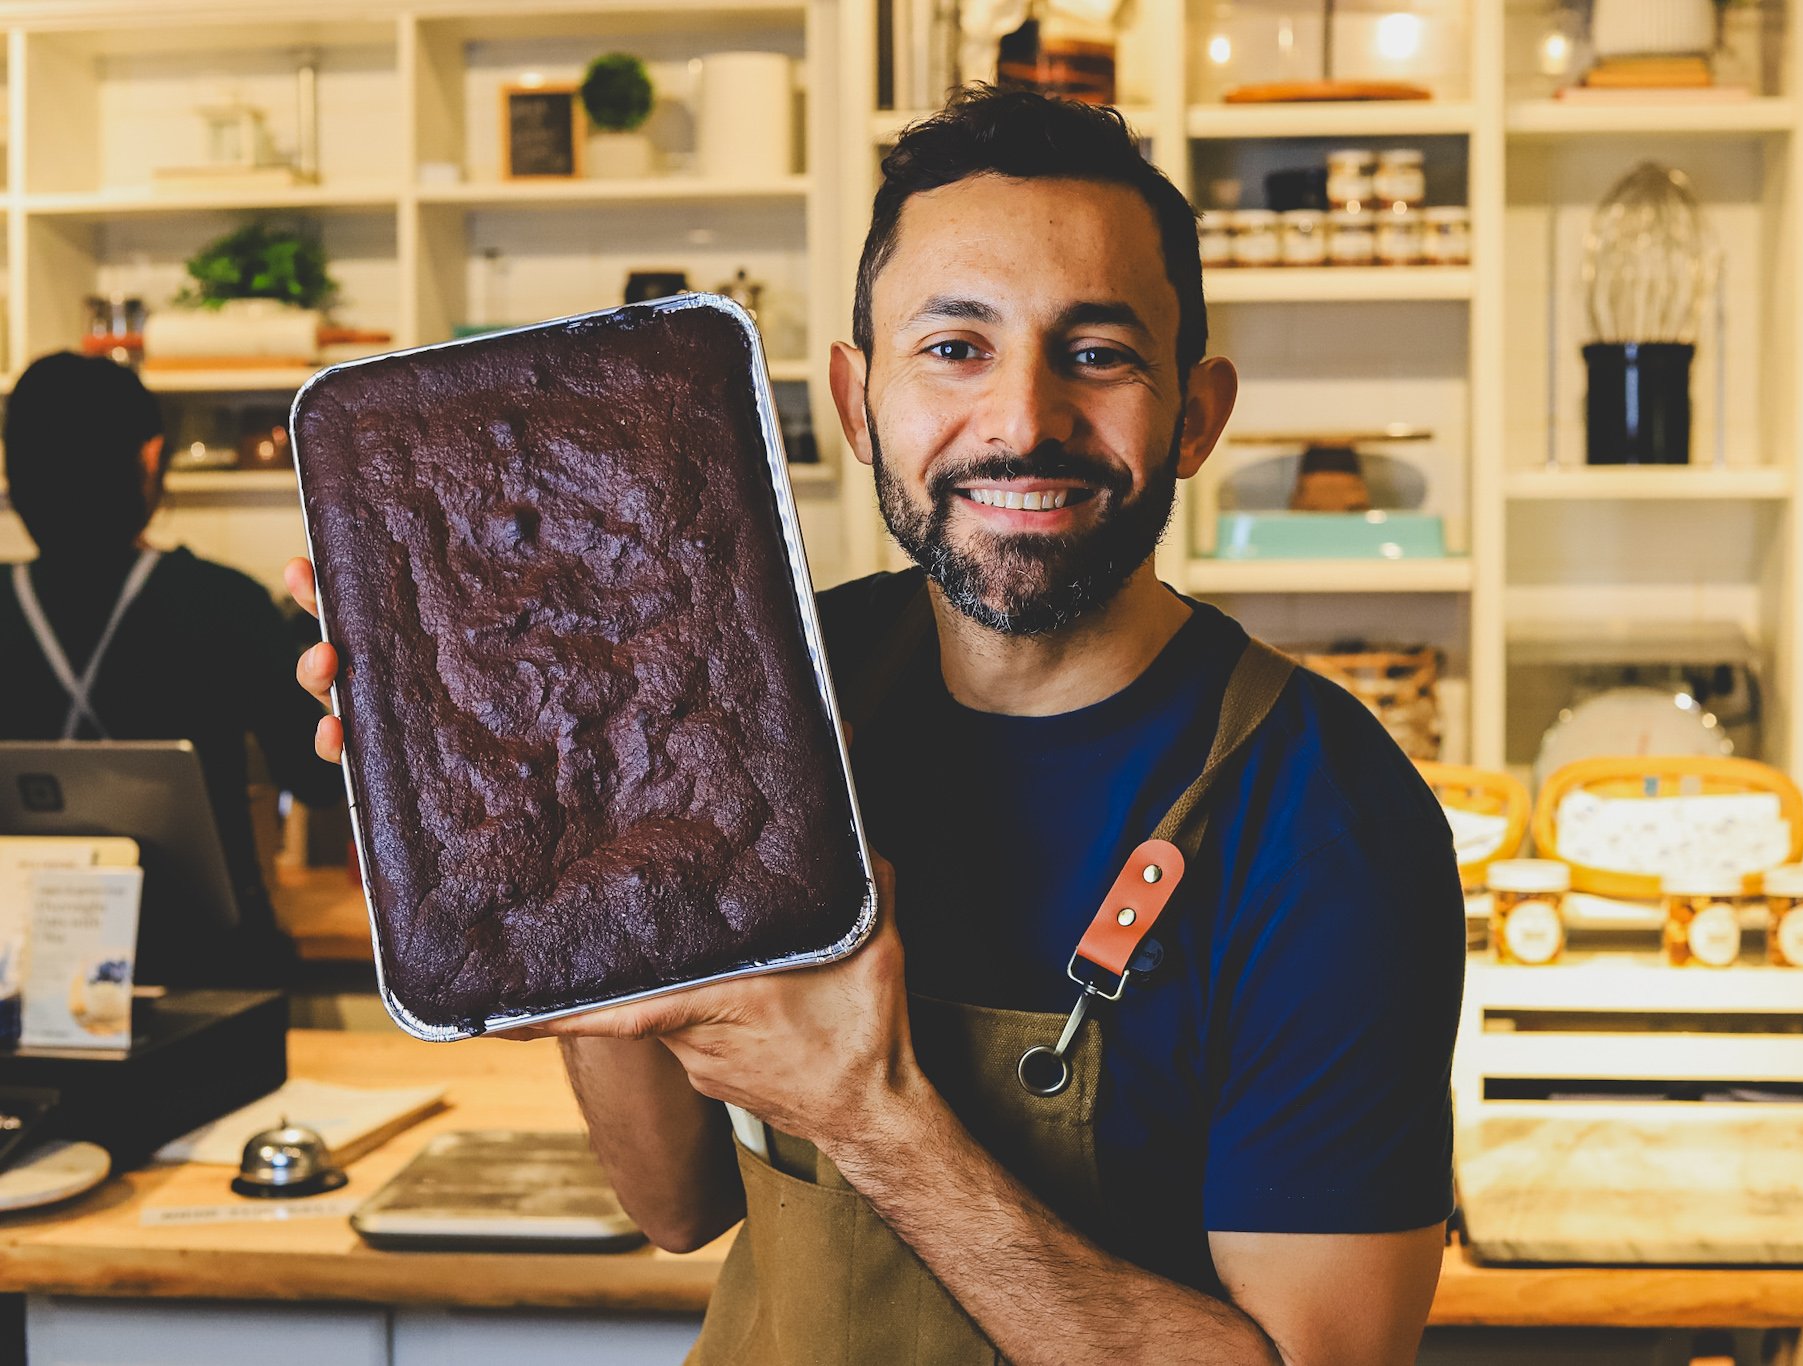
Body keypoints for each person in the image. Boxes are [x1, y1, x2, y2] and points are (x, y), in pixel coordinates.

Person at [289, 88, 1463, 1364]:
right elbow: (674, 1200)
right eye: (953, 348)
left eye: (1099, 352)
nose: (1022, 420)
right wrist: (549, 820)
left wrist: (865, 1111)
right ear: (855, 403)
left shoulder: (1326, 820)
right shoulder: (768, 682)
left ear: (1194, 414)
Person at [1, 352, 343, 984]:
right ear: (151, 457)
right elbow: (320, 781)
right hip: (207, 973)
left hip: (23, 976)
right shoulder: (222, 602)